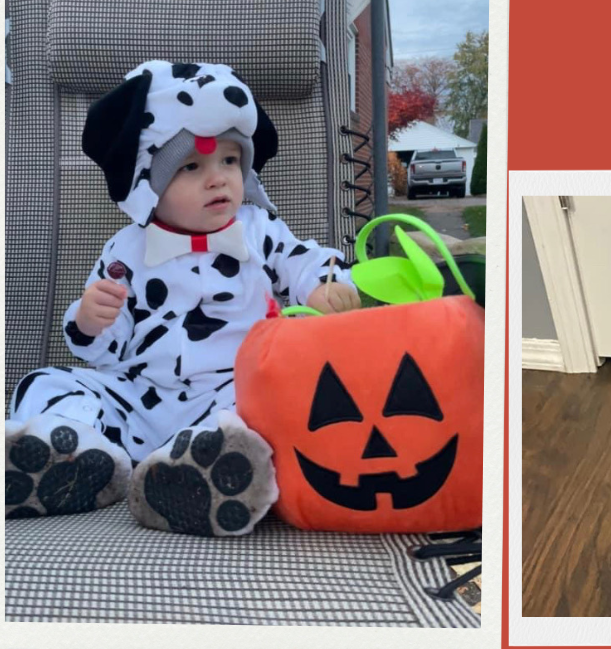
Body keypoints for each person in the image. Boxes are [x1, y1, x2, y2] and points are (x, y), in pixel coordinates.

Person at [4, 61, 359, 531]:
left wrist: (325, 284)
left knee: (282, 402)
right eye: (191, 166)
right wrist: (93, 319)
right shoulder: (125, 250)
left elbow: (302, 259)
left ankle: (201, 471)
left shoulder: (259, 229)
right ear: (147, 183)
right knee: (45, 383)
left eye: (230, 161)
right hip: (139, 401)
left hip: (234, 396)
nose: (218, 179)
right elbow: (108, 356)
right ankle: (76, 459)